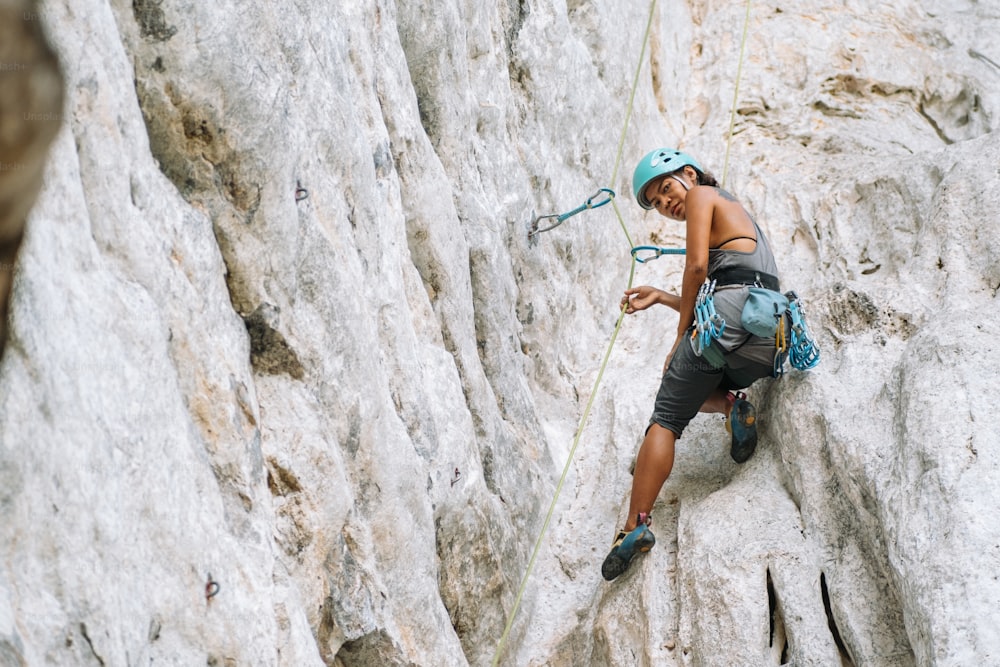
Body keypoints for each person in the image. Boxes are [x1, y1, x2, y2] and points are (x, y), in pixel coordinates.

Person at [601, 148, 783, 581]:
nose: (668, 203)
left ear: (688, 173)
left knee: (666, 414)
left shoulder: (703, 194)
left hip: (729, 320)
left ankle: (634, 528)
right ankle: (733, 405)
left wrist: (680, 337)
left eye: (666, 189)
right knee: (699, 376)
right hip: (768, 334)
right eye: (659, 204)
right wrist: (664, 298)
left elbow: (698, 267)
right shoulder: (738, 213)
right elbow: (739, 288)